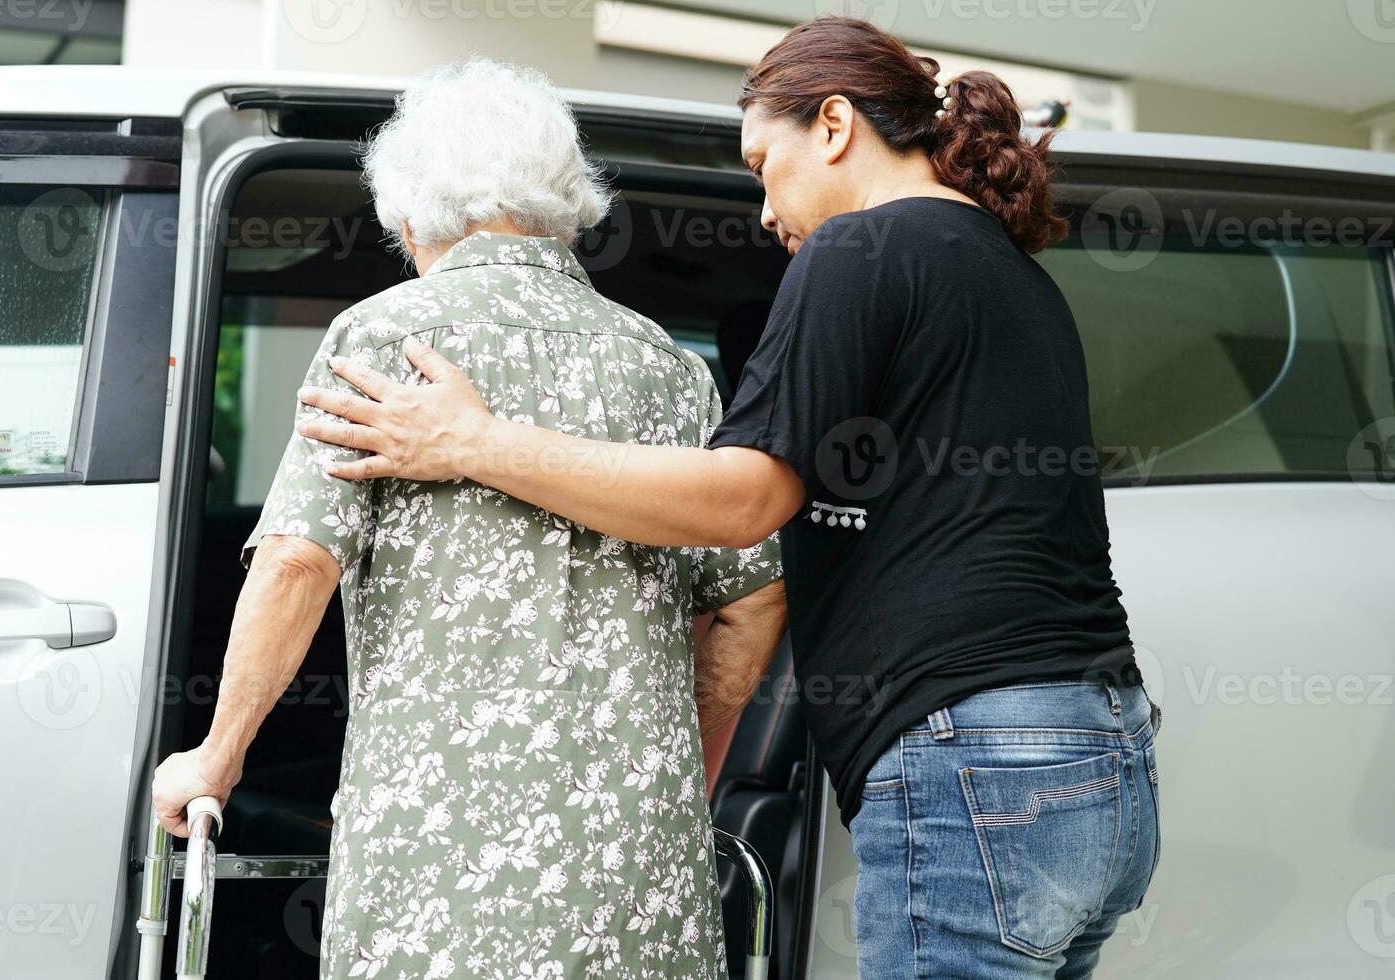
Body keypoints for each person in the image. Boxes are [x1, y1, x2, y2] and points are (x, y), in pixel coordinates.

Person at [297, 17, 1163, 979]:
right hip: (1105, 762)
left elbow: (741, 498)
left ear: (834, 125)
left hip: (973, 765)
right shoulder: (1017, 276)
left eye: (763, 164)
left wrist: (476, 440)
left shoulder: (858, 251)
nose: (762, 210)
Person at [151, 57, 787, 980]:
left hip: (441, 861)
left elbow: (296, 564)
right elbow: (752, 602)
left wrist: (216, 758)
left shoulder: (385, 338)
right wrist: (673, 774)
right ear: (570, 200)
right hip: (640, 859)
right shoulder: (672, 369)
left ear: (409, 214)